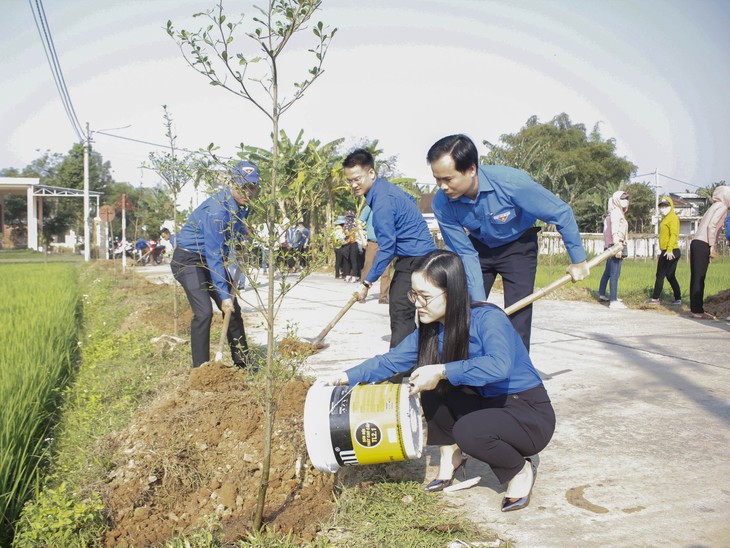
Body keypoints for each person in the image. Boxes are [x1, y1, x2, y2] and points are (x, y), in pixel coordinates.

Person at [322, 250, 555, 512]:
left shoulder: (489, 320)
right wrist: (343, 377)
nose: (417, 304)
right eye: (414, 295)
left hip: (526, 412)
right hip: (489, 403)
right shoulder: (432, 329)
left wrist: (443, 370)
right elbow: (389, 361)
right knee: (428, 382)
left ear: (452, 292)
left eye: (425, 297)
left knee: (467, 427)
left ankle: (520, 470)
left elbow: (498, 367)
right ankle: (450, 457)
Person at [427, 134, 589, 351]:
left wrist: (578, 259)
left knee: (517, 315)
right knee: (464, 309)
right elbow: (465, 253)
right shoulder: (442, 203)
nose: (443, 187)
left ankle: (518, 376)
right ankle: (467, 369)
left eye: (448, 179)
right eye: (438, 179)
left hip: (518, 247)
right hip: (478, 248)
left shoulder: (511, 183)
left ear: (472, 169)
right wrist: (478, 306)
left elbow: (560, 212)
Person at [170, 160, 259, 368]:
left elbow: (233, 234)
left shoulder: (242, 206)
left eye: (252, 186)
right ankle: (201, 369)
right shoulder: (217, 211)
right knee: (204, 312)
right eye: (243, 186)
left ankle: (244, 363)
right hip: (189, 260)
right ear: (233, 183)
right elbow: (214, 254)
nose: (248, 191)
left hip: (209, 258)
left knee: (233, 309)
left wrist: (240, 246)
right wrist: (223, 296)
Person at [345, 149, 437, 348]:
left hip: (416, 258)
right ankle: (417, 358)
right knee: (417, 310)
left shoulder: (382, 203)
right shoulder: (385, 190)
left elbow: (386, 248)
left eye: (357, 179)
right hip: (422, 255)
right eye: (349, 181)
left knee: (401, 309)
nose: (353, 185)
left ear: (371, 173)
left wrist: (367, 282)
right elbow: (411, 202)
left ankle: (400, 364)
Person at [689, 185, 730, 319]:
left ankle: (695, 309)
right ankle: (698, 311)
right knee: (700, 278)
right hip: (703, 243)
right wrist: (712, 246)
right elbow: (712, 226)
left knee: (696, 277)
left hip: (696, 243)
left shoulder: (713, 207)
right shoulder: (722, 206)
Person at [646, 196, 682, 305]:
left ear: (670, 206)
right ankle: (678, 298)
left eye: (665, 206)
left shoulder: (673, 218)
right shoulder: (665, 218)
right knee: (670, 275)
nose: (663, 208)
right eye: (661, 206)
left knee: (660, 274)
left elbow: (674, 234)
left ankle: (655, 298)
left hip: (670, 251)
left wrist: (669, 249)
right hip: (668, 250)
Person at [598, 191, 630, 309]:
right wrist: (617, 247)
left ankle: (605, 294)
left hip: (614, 244)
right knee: (615, 273)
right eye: (622, 198)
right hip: (616, 244)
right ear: (616, 199)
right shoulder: (616, 213)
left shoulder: (618, 212)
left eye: (627, 198)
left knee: (609, 272)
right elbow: (615, 230)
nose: (625, 200)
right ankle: (613, 300)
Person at [359, 204, 392, 304]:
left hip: (386, 244)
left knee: (386, 271)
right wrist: (363, 239)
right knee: (368, 268)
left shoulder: (389, 207)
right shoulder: (370, 206)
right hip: (372, 242)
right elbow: (359, 222)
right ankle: (361, 294)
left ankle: (383, 296)